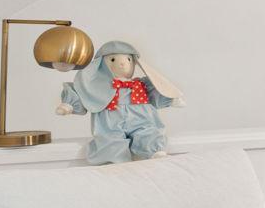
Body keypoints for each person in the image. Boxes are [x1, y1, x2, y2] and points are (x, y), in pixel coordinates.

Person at [56, 39, 184, 165]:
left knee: (148, 132)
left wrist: (171, 98)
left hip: (141, 119)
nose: (122, 64)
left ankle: (153, 150)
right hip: (110, 122)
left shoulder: (141, 84)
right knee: (109, 139)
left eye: (128, 59)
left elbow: (158, 89)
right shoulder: (99, 87)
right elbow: (83, 92)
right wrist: (69, 105)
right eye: (112, 60)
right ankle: (114, 160)